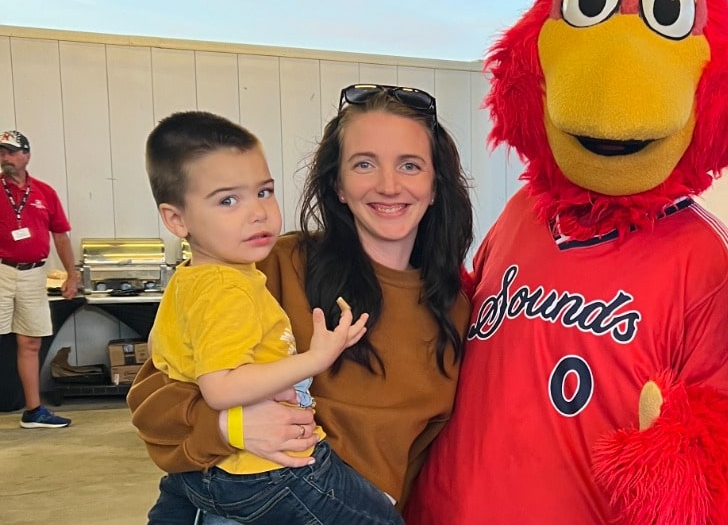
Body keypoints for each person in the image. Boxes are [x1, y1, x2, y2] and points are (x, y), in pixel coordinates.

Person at [128, 84, 473, 520]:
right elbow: (150, 403)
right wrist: (225, 427)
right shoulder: (263, 268)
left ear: (435, 185)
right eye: (364, 164)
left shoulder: (455, 309)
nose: (389, 186)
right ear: (339, 185)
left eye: (410, 165)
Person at [0, 129, 78, 429]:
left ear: (26, 155)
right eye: (2, 153)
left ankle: (34, 411)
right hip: (3, 272)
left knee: (30, 341)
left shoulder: (44, 193)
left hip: (34, 274)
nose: (5, 158)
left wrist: (72, 274)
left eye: (11, 152)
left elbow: (60, 235)